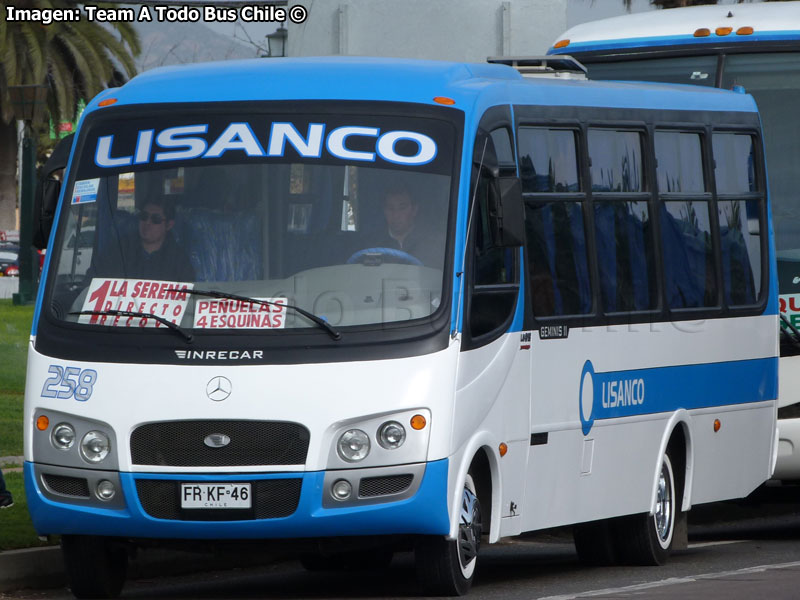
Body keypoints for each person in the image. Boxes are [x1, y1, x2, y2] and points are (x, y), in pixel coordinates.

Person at [89, 197, 195, 282]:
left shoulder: (179, 260)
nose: (147, 223)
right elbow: (93, 279)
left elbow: (186, 297)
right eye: (144, 216)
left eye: (155, 219)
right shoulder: (119, 251)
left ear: (169, 225)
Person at [371, 186, 442, 267]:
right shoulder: (373, 245)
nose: (396, 215)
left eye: (402, 208)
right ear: (384, 211)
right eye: (390, 208)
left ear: (414, 210)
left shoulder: (433, 244)